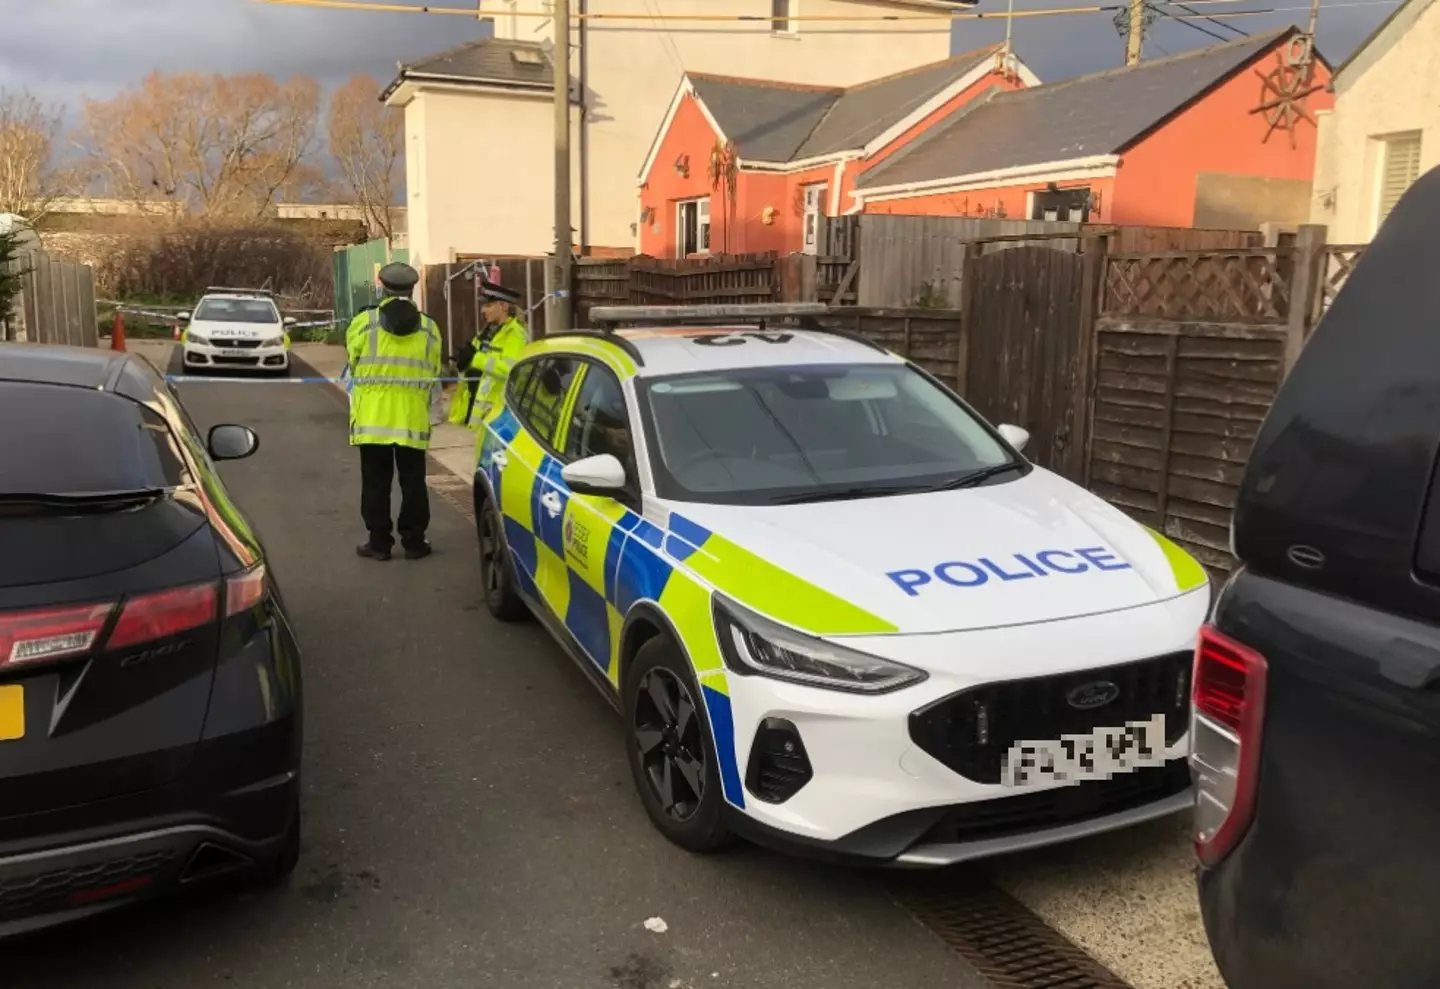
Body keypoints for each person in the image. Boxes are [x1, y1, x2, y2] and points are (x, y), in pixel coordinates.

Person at [346, 262, 443, 561]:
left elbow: (353, 362)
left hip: (373, 419)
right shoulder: (429, 328)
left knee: (376, 483)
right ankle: (414, 542)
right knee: (413, 483)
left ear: (382, 286)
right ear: (412, 289)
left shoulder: (364, 322)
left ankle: (379, 544)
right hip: (412, 419)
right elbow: (435, 371)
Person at [447, 280, 529, 430]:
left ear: (503, 306)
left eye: (488, 305)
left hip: (497, 418)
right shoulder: (486, 333)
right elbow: (477, 366)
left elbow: (510, 370)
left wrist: (475, 358)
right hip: (475, 413)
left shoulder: (515, 335)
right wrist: (463, 365)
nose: (483, 310)